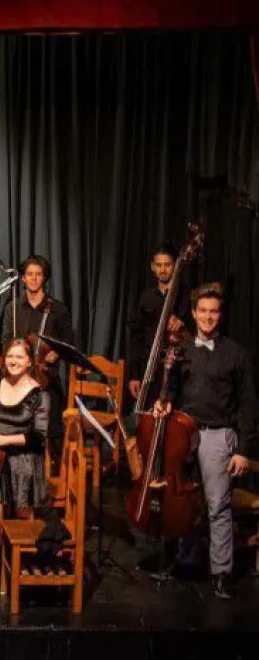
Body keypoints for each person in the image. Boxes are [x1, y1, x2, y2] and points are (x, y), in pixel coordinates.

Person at [153, 283, 256, 599]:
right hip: (184, 434)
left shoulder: (236, 354)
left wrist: (242, 452)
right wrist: (164, 402)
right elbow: (170, 392)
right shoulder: (181, 351)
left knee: (217, 506)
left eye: (214, 311)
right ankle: (187, 559)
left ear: (220, 315)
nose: (209, 317)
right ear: (194, 313)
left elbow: (248, 404)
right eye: (203, 311)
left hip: (217, 435)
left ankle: (220, 572)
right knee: (186, 503)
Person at [1, 255, 74, 469]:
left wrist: (55, 354)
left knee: (50, 428)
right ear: (23, 278)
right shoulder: (12, 308)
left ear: (44, 278)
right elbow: (5, 339)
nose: (33, 279)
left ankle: (52, 477)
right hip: (16, 379)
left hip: (45, 379)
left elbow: (67, 341)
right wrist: (13, 357)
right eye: (29, 274)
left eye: (38, 274)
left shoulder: (57, 309)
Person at [0, 339, 51, 520]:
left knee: (21, 518)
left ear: (29, 361)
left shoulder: (40, 395)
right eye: (10, 356)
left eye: (19, 357)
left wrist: (3, 439)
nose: (13, 361)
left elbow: (39, 437)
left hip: (23, 461)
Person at [127, 242, 190, 404]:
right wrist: (134, 375)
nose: (163, 269)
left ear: (176, 265)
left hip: (179, 371)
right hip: (150, 369)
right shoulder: (145, 297)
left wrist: (182, 328)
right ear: (152, 266)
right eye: (159, 265)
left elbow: (195, 336)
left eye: (168, 264)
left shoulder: (186, 297)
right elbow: (136, 338)